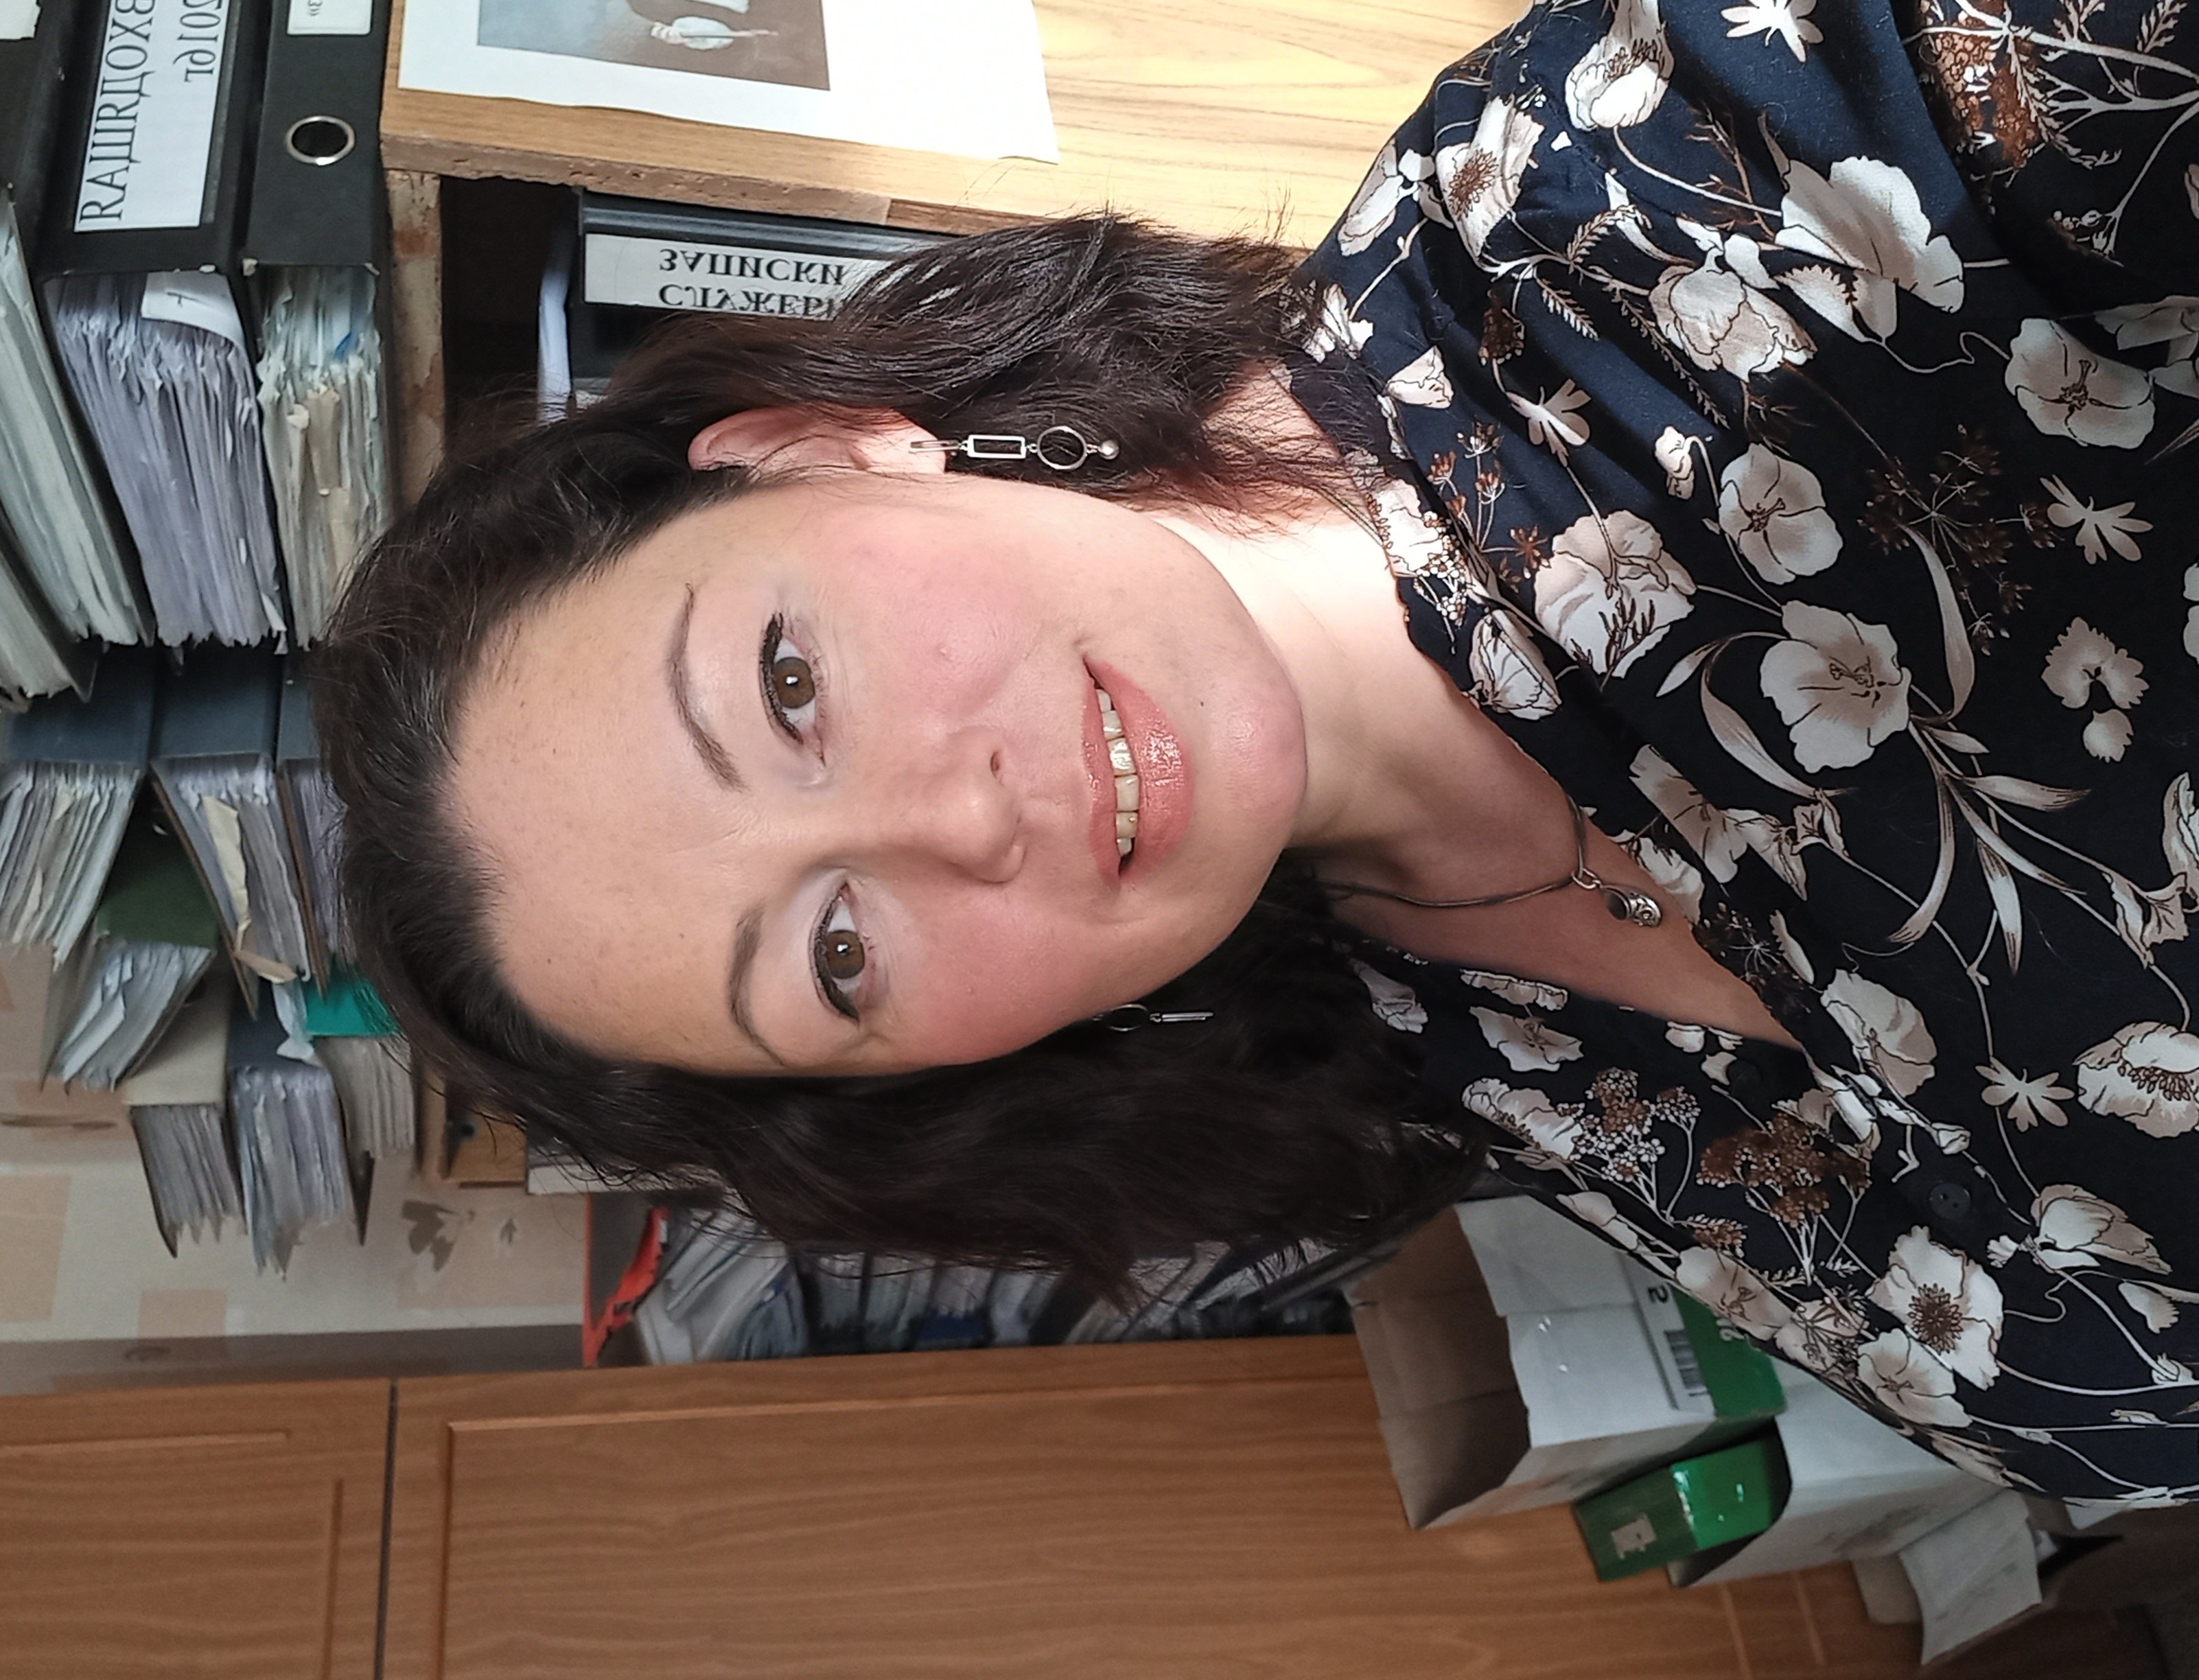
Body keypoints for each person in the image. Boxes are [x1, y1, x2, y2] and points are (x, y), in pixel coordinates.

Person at [318, 0, 2199, 1501]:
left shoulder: (1670, 187)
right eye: (833, 951)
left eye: (791, 685)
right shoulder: (1455, 1051)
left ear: (823, 450)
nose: (957, 817)